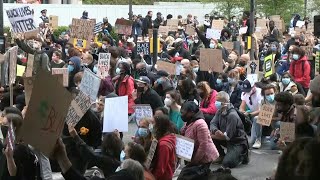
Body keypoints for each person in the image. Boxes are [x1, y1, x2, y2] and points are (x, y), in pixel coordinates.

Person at [210, 91, 249, 168]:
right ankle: (221, 155)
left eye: (218, 101)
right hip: (226, 139)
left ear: (225, 102)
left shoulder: (232, 115)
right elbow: (212, 123)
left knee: (228, 163)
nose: (216, 103)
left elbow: (228, 136)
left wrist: (211, 136)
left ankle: (242, 155)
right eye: (216, 100)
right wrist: (215, 131)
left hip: (237, 142)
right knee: (211, 137)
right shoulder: (219, 111)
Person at [180, 101, 219, 167]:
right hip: (193, 154)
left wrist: (195, 161)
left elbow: (203, 145)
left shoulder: (200, 124)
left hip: (204, 158)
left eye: (183, 113)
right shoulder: (189, 121)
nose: (181, 115)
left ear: (191, 112)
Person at [150, 115, 176, 180]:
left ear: (159, 126)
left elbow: (161, 168)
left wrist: (153, 178)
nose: (151, 126)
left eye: (153, 123)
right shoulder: (167, 137)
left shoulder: (163, 145)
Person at [239, 80, 263, 148]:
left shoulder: (260, 93)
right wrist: (242, 112)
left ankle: (258, 140)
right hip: (252, 114)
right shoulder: (244, 93)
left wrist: (250, 114)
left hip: (261, 115)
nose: (247, 92)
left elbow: (261, 110)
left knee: (256, 118)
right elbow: (242, 106)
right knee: (251, 141)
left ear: (254, 86)